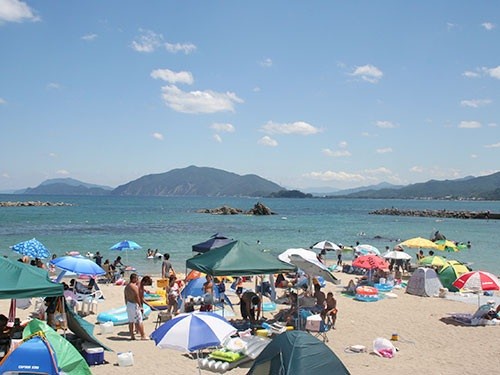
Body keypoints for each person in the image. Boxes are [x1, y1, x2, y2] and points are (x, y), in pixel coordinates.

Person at [124, 273, 147, 340]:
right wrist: (140, 306)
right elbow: (137, 297)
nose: (137, 280)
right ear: (133, 279)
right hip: (134, 305)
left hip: (129, 304)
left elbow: (125, 297)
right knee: (139, 320)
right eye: (136, 279)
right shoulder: (134, 287)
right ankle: (143, 336)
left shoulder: (126, 287)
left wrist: (127, 304)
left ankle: (132, 336)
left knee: (131, 321)